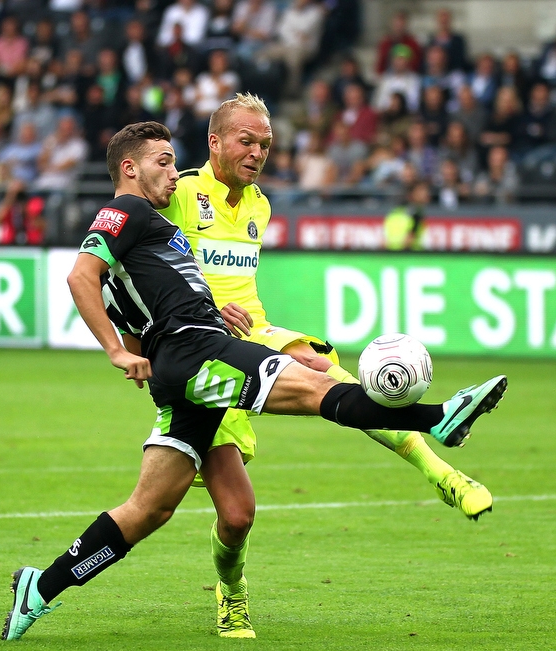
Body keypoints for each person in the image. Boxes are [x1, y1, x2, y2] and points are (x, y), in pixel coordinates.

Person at [1, 120, 508, 640]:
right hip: (198, 351)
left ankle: (40, 588)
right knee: (317, 389)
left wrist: (140, 353)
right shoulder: (127, 209)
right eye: (164, 162)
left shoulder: (149, 233)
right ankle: (441, 418)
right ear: (129, 169)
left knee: (151, 509)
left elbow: (132, 320)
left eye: (174, 162)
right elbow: (78, 274)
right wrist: (114, 351)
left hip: (183, 367)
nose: (175, 173)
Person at [159, 94, 494, 638]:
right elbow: (140, 260)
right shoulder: (179, 193)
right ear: (215, 142)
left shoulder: (260, 206)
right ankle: (233, 590)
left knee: (322, 368)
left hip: (257, 334)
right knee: (237, 517)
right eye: (246, 140)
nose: (257, 151)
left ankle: (442, 473)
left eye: (265, 143)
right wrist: (197, 309)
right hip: (200, 353)